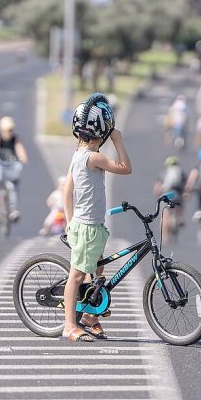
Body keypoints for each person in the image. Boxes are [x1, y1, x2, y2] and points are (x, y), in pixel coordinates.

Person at [62, 93, 131, 342]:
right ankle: (69, 325)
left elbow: (66, 191)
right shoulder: (94, 157)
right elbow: (126, 168)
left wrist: (70, 221)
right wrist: (119, 140)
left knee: (97, 270)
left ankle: (90, 317)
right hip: (88, 227)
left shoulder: (76, 157)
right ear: (103, 130)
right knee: (77, 275)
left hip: (91, 227)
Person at [0, 116, 29, 224]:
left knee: (13, 186)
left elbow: (21, 150)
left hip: (11, 166)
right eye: (7, 130)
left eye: (11, 130)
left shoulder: (16, 139)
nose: (9, 132)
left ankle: (13, 209)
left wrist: (23, 158)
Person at [154, 156, 185, 244]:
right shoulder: (181, 172)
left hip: (166, 195)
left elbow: (158, 186)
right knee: (181, 204)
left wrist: (157, 192)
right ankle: (180, 218)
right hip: (177, 195)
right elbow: (185, 184)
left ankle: (165, 236)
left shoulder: (163, 173)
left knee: (164, 216)